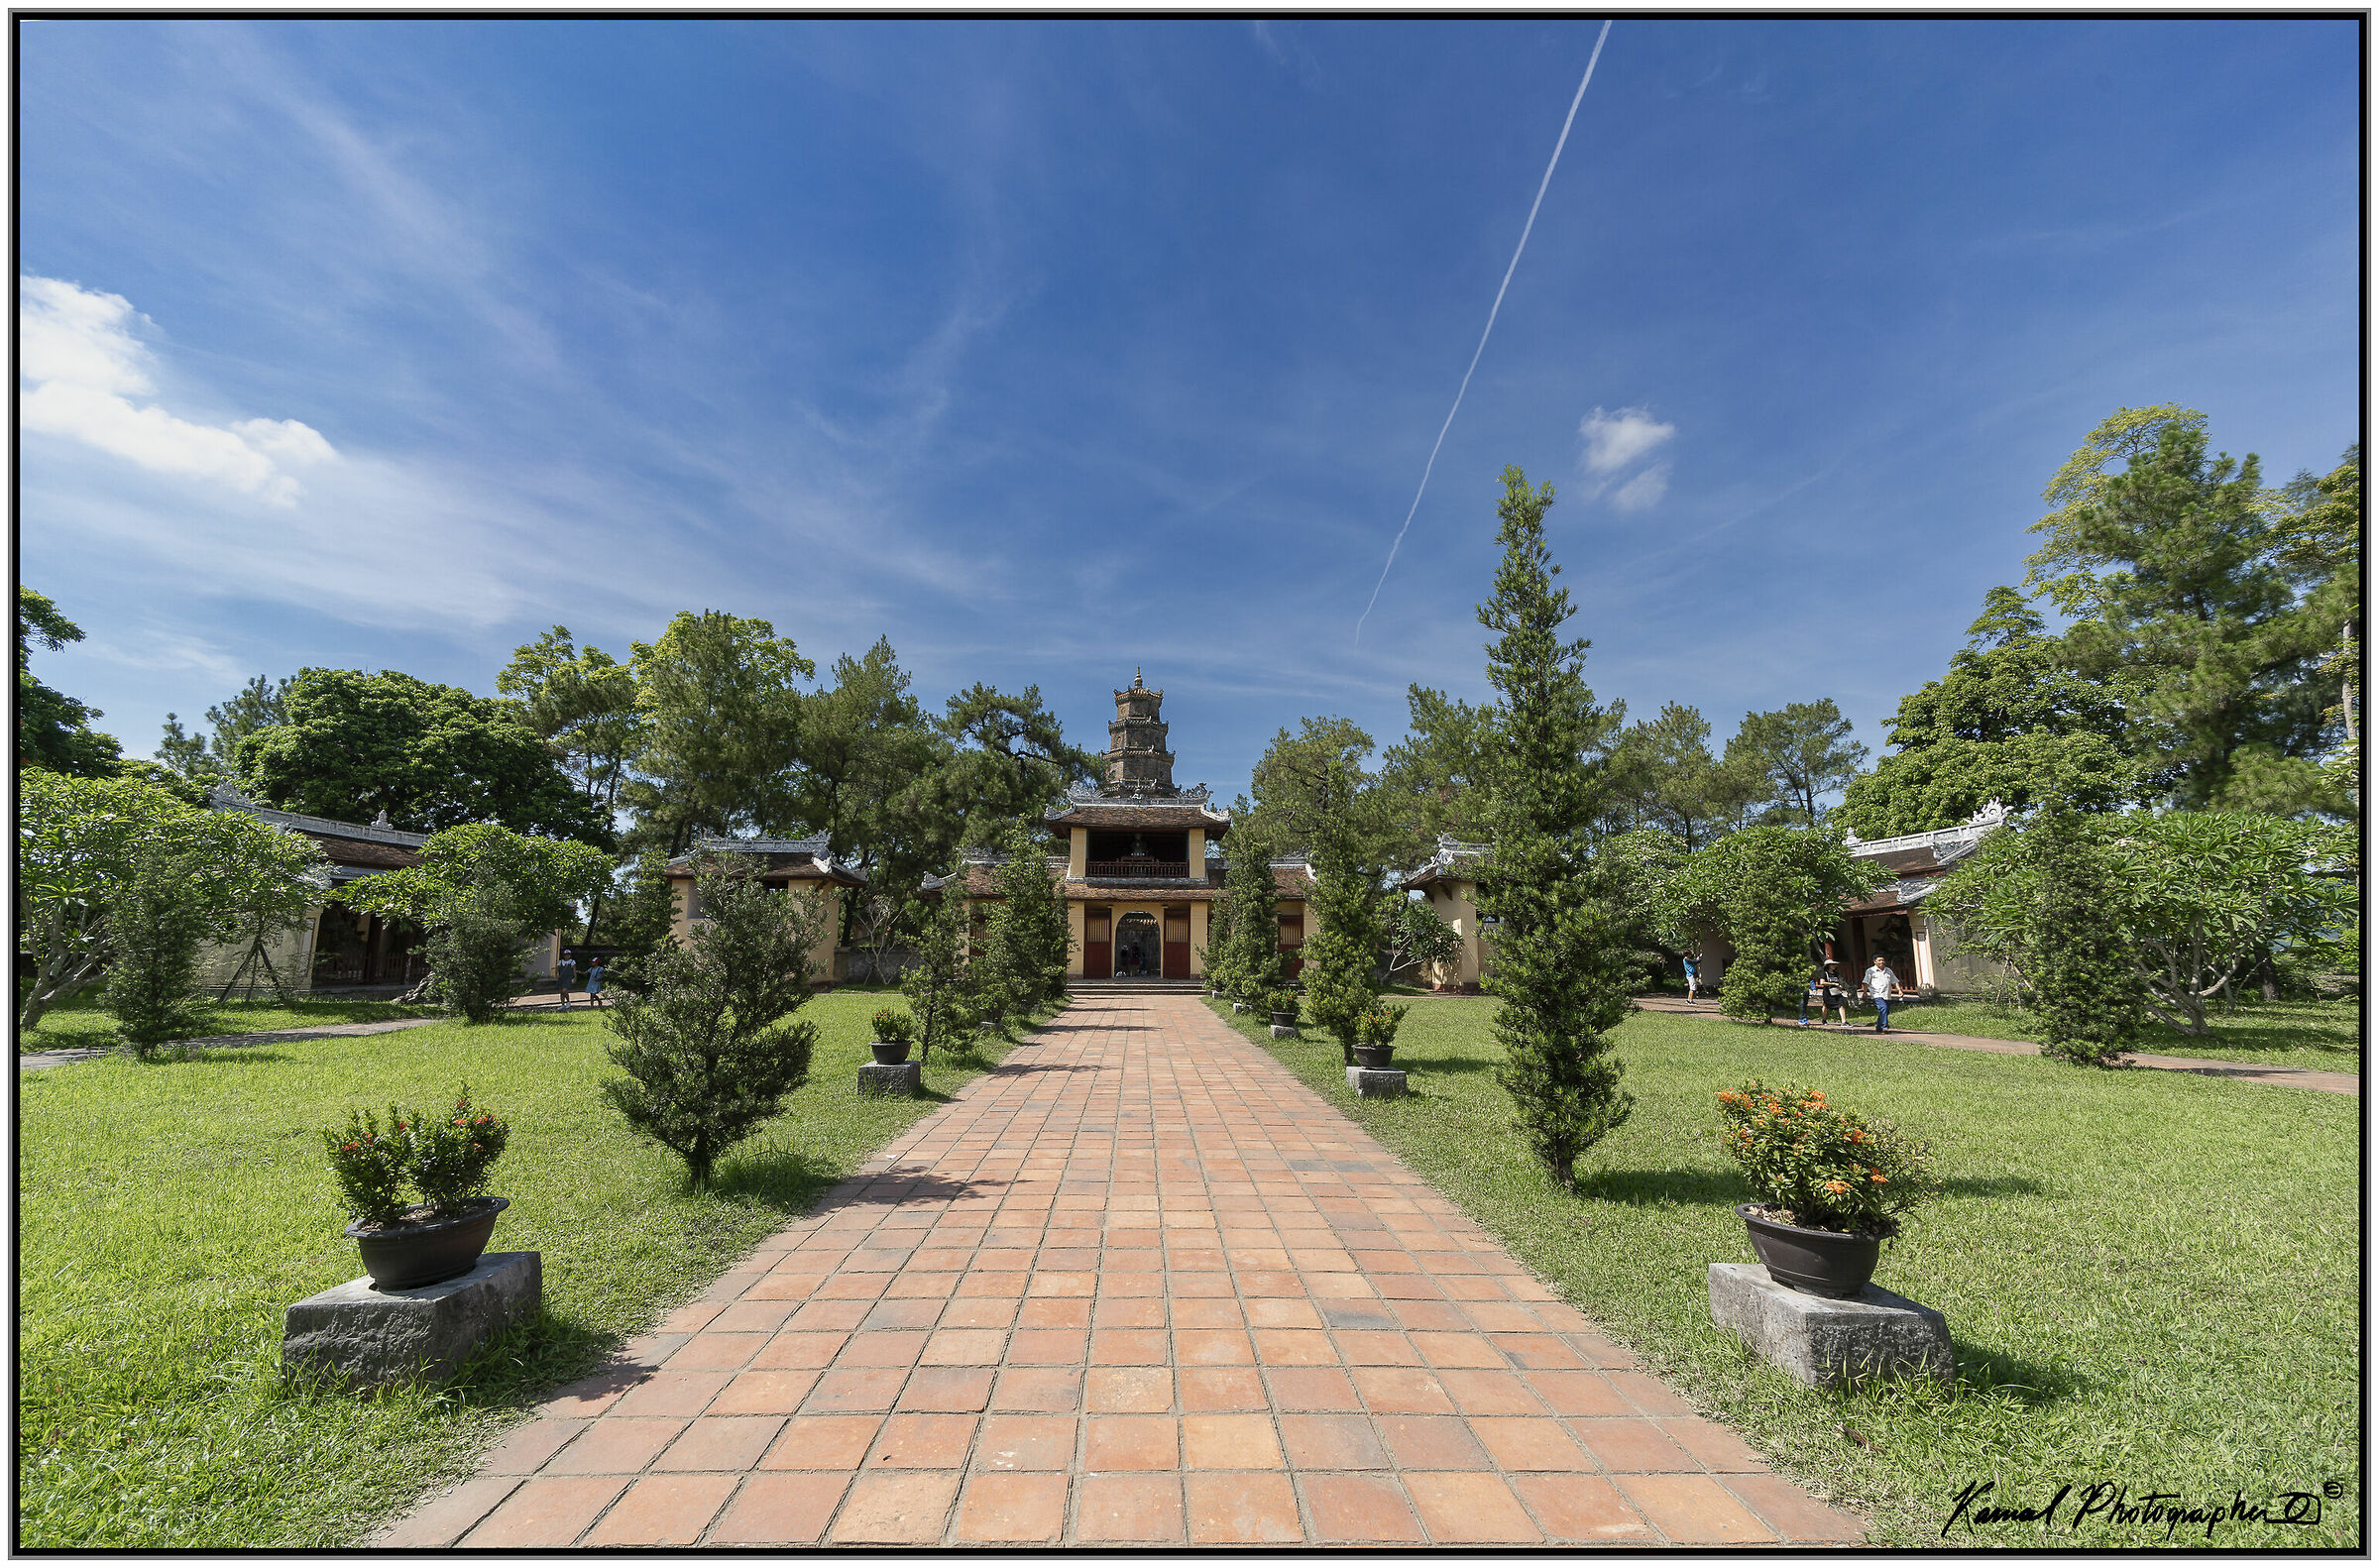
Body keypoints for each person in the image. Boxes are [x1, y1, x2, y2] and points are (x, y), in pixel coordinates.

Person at [1863, 954, 1899, 1032]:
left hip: (1887, 994)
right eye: (1879, 960)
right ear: (1875, 962)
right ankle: (1884, 1027)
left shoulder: (1888, 971)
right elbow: (1866, 982)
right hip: (1876, 994)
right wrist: (1865, 992)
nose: (1881, 962)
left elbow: (1895, 981)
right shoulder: (1870, 971)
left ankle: (1879, 1027)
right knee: (1883, 1008)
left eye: (1883, 960)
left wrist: (1899, 990)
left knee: (1886, 1011)